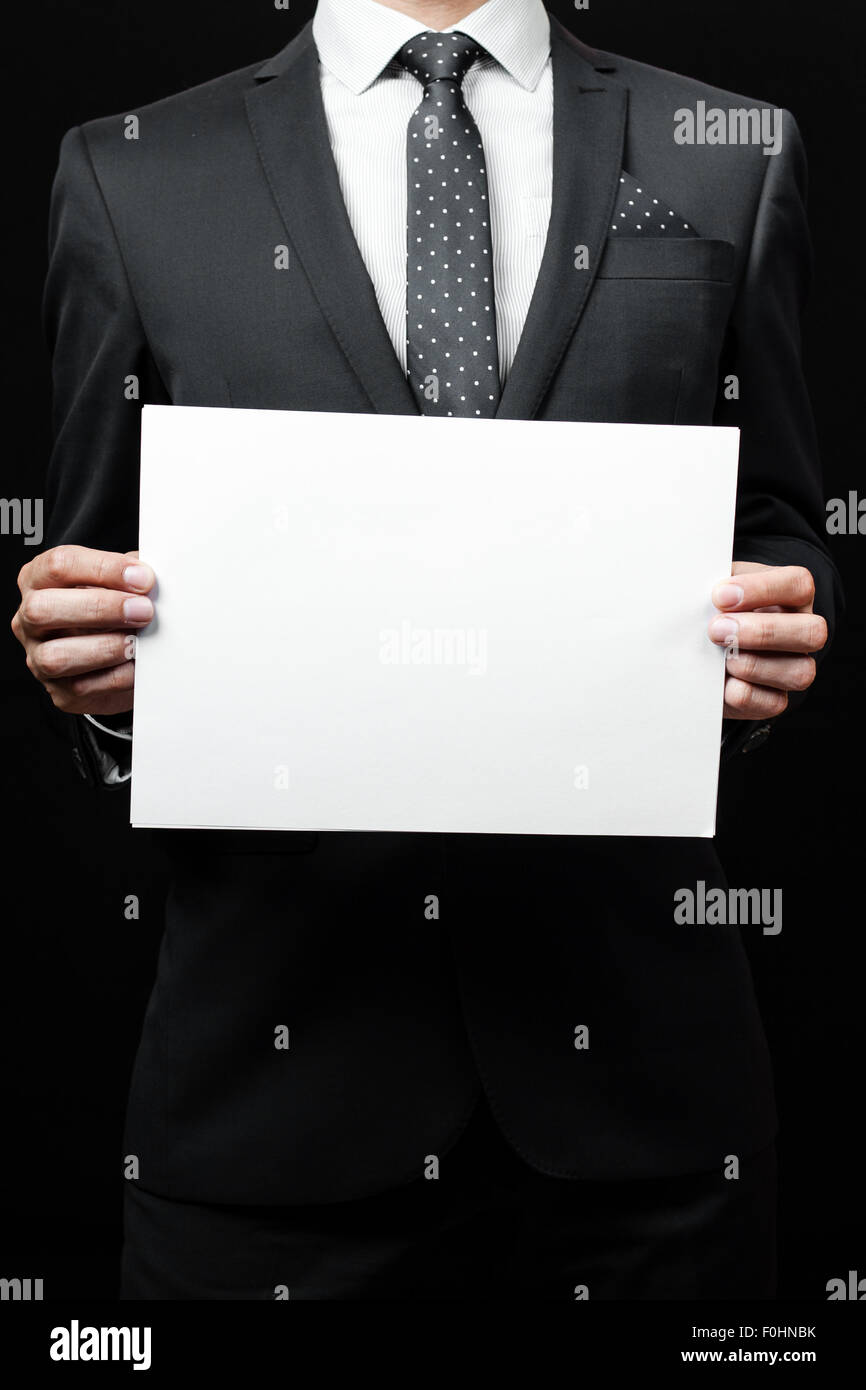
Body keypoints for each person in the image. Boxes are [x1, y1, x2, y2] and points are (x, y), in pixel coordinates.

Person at [12, 0, 839, 1299]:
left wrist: (791, 611)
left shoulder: (724, 148)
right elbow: (91, 571)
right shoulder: (132, 169)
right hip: (266, 1115)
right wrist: (97, 683)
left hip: (642, 1115)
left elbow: (784, 517)